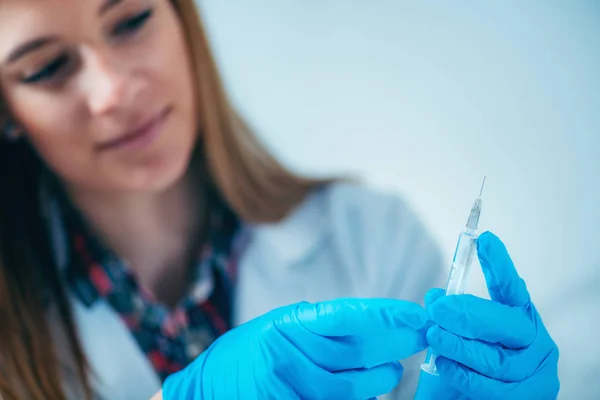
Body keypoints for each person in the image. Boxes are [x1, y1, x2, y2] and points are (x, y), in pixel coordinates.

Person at [0, 0, 559, 399]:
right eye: (46, 67)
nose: (113, 89)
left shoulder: (371, 236)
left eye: (130, 20)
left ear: (181, 20)